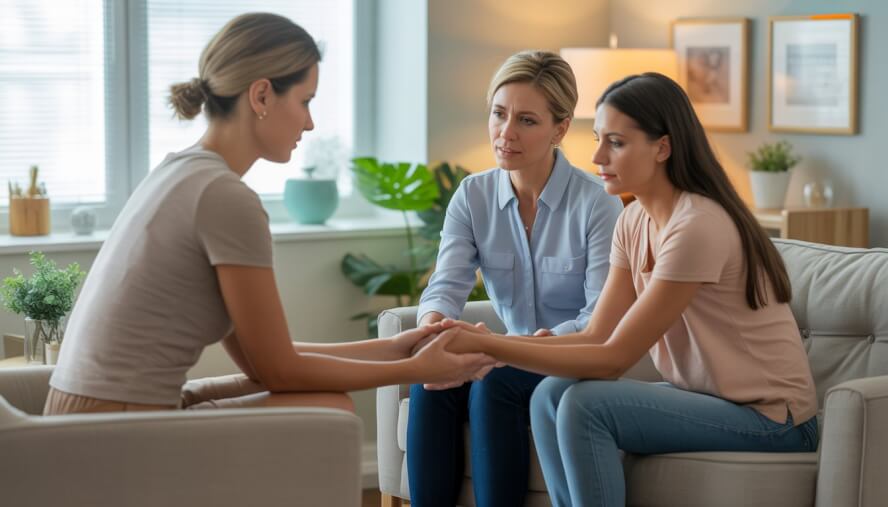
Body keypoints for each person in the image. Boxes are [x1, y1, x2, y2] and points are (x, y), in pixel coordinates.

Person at [44, 13, 493, 416]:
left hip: (89, 411)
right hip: (114, 425)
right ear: (261, 94)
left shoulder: (180, 171)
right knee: (323, 411)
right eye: (305, 100)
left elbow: (266, 360)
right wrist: (413, 369)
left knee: (319, 401)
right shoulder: (224, 196)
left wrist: (394, 349)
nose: (310, 122)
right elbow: (279, 371)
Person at [437, 73, 818, 507]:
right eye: (598, 138)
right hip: (706, 398)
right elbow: (596, 334)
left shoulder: (696, 226)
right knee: (550, 394)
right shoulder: (633, 220)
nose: (597, 155)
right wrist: (505, 345)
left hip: (773, 418)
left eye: (615, 142)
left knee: (585, 404)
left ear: (662, 147)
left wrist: (492, 347)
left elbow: (614, 358)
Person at [406, 50, 623, 507]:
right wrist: (434, 331)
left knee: (494, 383)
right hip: (510, 356)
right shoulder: (473, 195)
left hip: (572, 363)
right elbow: (446, 285)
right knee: (432, 381)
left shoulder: (597, 204)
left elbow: (600, 314)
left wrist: (527, 348)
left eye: (526, 120)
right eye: (499, 114)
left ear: (560, 128)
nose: (506, 133)